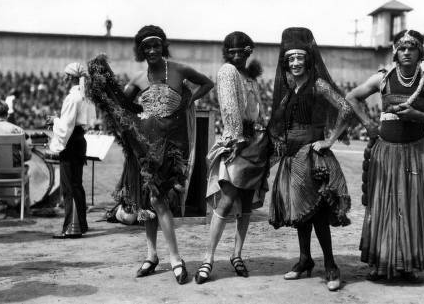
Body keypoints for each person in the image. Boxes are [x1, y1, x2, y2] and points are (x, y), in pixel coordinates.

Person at [86, 25, 213, 284]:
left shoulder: (180, 70)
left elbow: (207, 83)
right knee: (151, 201)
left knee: (158, 201)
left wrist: (190, 99)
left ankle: (170, 257)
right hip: (146, 148)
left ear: (163, 46)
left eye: (156, 46)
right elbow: (123, 107)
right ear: (141, 51)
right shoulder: (137, 79)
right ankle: (156, 255)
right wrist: (102, 89)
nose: (152, 51)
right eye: (147, 47)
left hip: (174, 147)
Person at [267, 27, 376, 291]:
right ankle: (305, 260)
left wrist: (329, 140)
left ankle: (330, 265)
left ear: (308, 60)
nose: (294, 63)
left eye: (299, 58)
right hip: (292, 159)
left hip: (312, 157)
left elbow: (346, 107)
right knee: (299, 214)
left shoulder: (318, 85)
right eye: (290, 59)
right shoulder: (291, 90)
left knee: (316, 213)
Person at [346, 29, 424, 282]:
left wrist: (418, 116)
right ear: (395, 52)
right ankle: (381, 263)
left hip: (415, 153)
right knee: (385, 207)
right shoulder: (383, 77)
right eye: (401, 48)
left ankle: (409, 265)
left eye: (411, 48)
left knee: (411, 206)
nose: (406, 53)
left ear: (420, 52)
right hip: (385, 152)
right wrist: (368, 125)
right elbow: (352, 97)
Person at [194, 32, 269, 284]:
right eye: (232, 51)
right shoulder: (228, 72)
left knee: (246, 203)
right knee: (225, 202)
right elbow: (229, 109)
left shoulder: (251, 77)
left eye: (242, 51)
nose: (236, 55)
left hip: (255, 143)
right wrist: (237, 139)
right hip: (237, 143)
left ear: (249, 51)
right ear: (227, 52)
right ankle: (208, 258)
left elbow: (256, 112)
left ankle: (237, 254)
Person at [47, 62, 96, 239]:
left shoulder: (72, 98)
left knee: (69, 186)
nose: (62, 78)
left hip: (71, 141)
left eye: (64, 75)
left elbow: (65, 126)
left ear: (70, 77)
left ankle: (71, 227)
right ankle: (81, 224)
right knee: (77, 184)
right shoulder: (86, 96)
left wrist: (54, 120)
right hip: (80, 140)